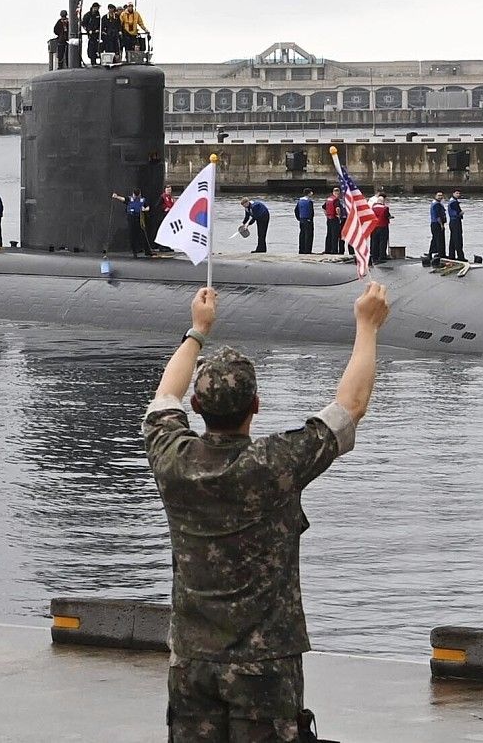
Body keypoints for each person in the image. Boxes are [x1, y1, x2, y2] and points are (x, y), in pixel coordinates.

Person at [142, 281, 386, 741]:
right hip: (265, 668)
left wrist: (197, 331)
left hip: (192, 663)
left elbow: (163, 399)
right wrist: (367, 325)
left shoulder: (173, 459)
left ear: (198, 407)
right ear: (255, 405)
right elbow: (350, 407)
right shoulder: (273, 464)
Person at [114, 191, 152, 257]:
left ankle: (147, 251)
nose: (136, 197)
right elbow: (123, 199)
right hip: (131, 219)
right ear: (133, 194)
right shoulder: (129, 199)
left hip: (140, 219)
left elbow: (148, 207)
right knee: (132, 236)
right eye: (135, 195)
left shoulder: (143, 200)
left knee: (143, 235)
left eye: (137, 195)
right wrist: (117, 196)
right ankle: (135, 251)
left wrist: (145, 209)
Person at [371, 193, 391, 264]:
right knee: (383, 241)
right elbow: (387, 216)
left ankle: (374, 256)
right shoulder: (385, 208)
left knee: (374, 242)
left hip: (374, 227)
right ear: (383, 202)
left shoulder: (373, 207)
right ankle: (382, 256)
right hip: (382, 226)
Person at [323, 189, 344, 255]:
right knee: (335, 235)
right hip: (334, 218)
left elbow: (323, 207)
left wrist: (326, 214)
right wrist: (339, 215)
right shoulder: (336, 200)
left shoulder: (329, 199)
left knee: (329, 234)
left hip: (329, 219)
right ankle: (334, 250)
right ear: (338, 193)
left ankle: (327, 249)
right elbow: (337, 208)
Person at [446, 189, 465, 262]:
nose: (458, 194)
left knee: (453, 239)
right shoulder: (454, 203)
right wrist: (461, 213)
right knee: (458, 239)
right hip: (455, 221)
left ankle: (451, 255)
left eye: (459, 193)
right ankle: (460, 257)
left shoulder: (452, 201)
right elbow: (455, 213)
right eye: (457, 193)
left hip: (452, 222)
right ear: (453, 193)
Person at [427, 192, 447, 261]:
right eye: (438, 195)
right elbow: (438, 216)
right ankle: (440, 254)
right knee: (439, 240)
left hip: (434, 224)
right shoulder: (436, 204)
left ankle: (432, 253)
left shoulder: (435, 203)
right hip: (437, 224)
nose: (440, 197)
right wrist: (441, 225)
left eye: (441, 195)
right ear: (435, 196)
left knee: (435, 239)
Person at [294, 190, 315, 255]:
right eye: (311, 192)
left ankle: (301, 250)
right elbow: (311, 212)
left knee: (302, 234)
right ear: (308, 193)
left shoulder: (300, 201)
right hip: (308, 220)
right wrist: (310, 219)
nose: (312, 193)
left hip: (302, 220)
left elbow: (296, 210)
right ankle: (307, 251)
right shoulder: (309, 201)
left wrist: (299, 218)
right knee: (308, 235)